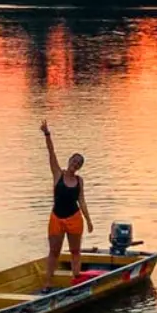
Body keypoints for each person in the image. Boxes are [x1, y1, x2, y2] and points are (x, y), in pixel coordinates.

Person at [41, 119, 94, 283]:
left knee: (75, 251)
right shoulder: (58, 174)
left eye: (78, 163)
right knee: (54, 252)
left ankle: (76, 278)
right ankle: (48, 282)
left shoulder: (79, 181)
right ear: (69, 160)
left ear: (80, 167)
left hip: (74, 218)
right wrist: (47, 133)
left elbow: (82, 201)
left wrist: (89, 221)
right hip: (57, 218)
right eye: (74, 160)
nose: (75, 164)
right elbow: (51, 152)